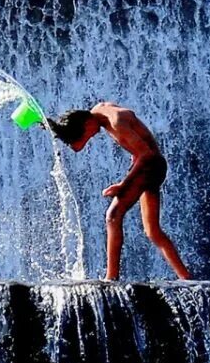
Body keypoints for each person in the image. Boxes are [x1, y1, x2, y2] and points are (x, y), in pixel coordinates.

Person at [47, 102, 191, 280]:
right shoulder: (99, 109)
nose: (90, 138)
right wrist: (51, 125)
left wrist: (123, 185)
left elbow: (146, 154)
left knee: (113, 216)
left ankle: (111, 276)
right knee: (152, 230)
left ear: (86, 124)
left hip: (149, 166)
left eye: (85, 136)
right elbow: (137, 138)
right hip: (154, 165)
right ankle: (185, 276)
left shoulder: (116, 124)